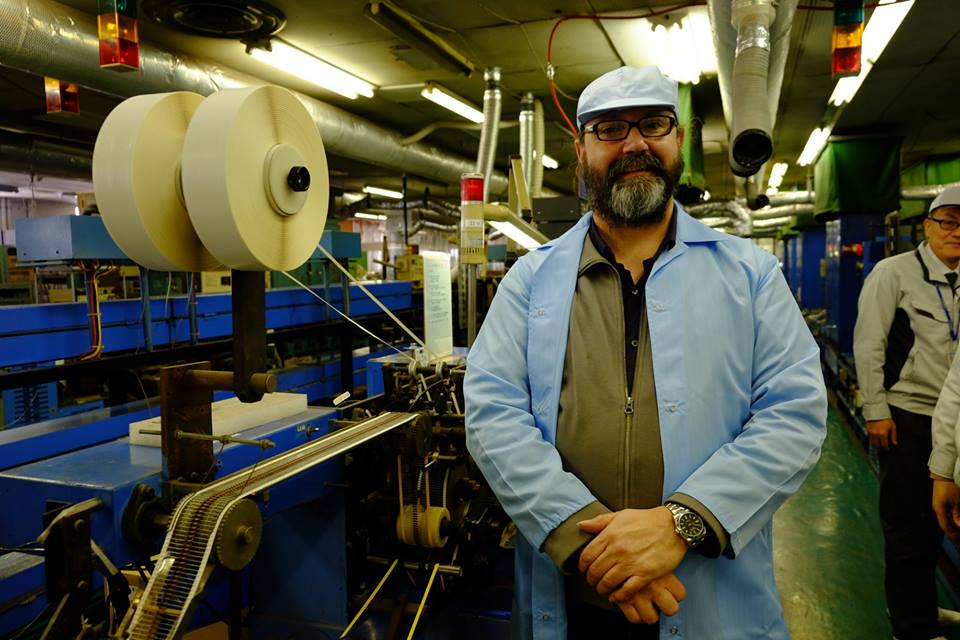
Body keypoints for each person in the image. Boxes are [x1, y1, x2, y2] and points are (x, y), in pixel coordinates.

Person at [464, 65, 827, 640]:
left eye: (653, 124)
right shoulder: (530, 281)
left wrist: (683, 523)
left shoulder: (750, 274)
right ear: (580, 150)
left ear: (677, 139)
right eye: (610, 129)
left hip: (705, 593)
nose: (634, 143)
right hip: (576, 594)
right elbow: (493, 414)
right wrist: (587, 541)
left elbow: (794, 413)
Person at [855, 185, 960, 640]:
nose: (956, 232)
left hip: (952, 421)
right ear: (928, 226)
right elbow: (868, 344)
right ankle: (910, 627)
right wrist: (876, 411)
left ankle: (922, 608)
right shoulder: (893, 273)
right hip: (908, 416)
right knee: (906, 525)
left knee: (939, 522)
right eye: (948, 221)